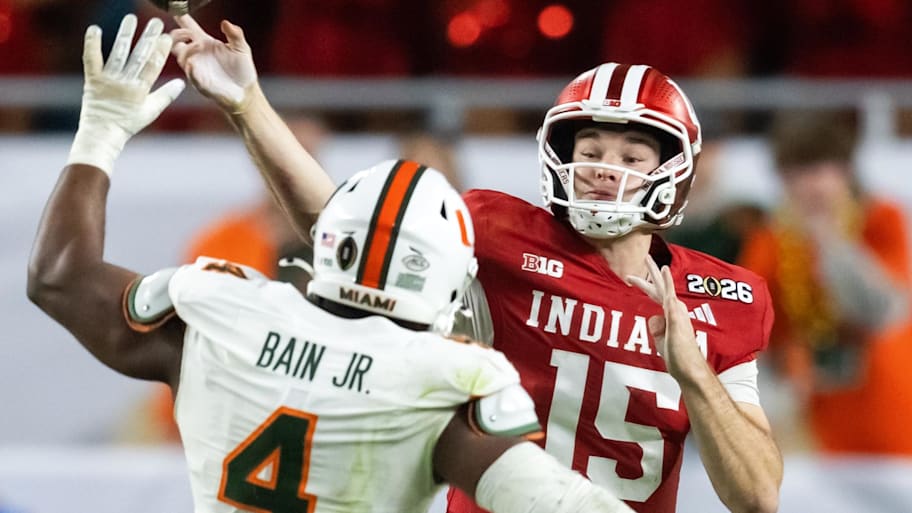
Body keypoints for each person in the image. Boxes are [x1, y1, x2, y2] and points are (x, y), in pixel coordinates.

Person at [169, 15, 783, 513]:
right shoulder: (498, 235)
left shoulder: (722, 297)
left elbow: (756, 497)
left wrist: (695, 374)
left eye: (630, 152)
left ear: (672, 172)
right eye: (590, 148)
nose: (601, 165)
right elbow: (344, 227)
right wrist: (247, 104)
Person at [27, 14, 635, 513]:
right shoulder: (446, 378)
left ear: (327, 242)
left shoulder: (220, 311)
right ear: (447, 276)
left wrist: (101, 133)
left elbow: (58, 277)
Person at [739, 111, 912, 454]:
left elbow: (883, 312)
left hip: (890, 402)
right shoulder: (771, 240)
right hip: (813, 414)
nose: (808, 185)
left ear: (846, 172)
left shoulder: (880, 219)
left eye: (817, 171)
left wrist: (830, 241)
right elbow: (751, 328)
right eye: (794, 175)